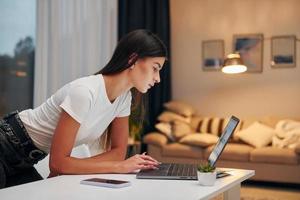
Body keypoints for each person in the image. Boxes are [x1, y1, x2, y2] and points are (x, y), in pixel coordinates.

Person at [0, 29, 167, 188]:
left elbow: (117, 153)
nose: (158, 79)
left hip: (25, 159)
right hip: (5, 143)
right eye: (155, 68)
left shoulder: (124, 98)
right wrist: (119, 167)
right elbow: (58, 164)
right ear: (133, 60)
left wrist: (115, 164)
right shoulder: (85, 92)